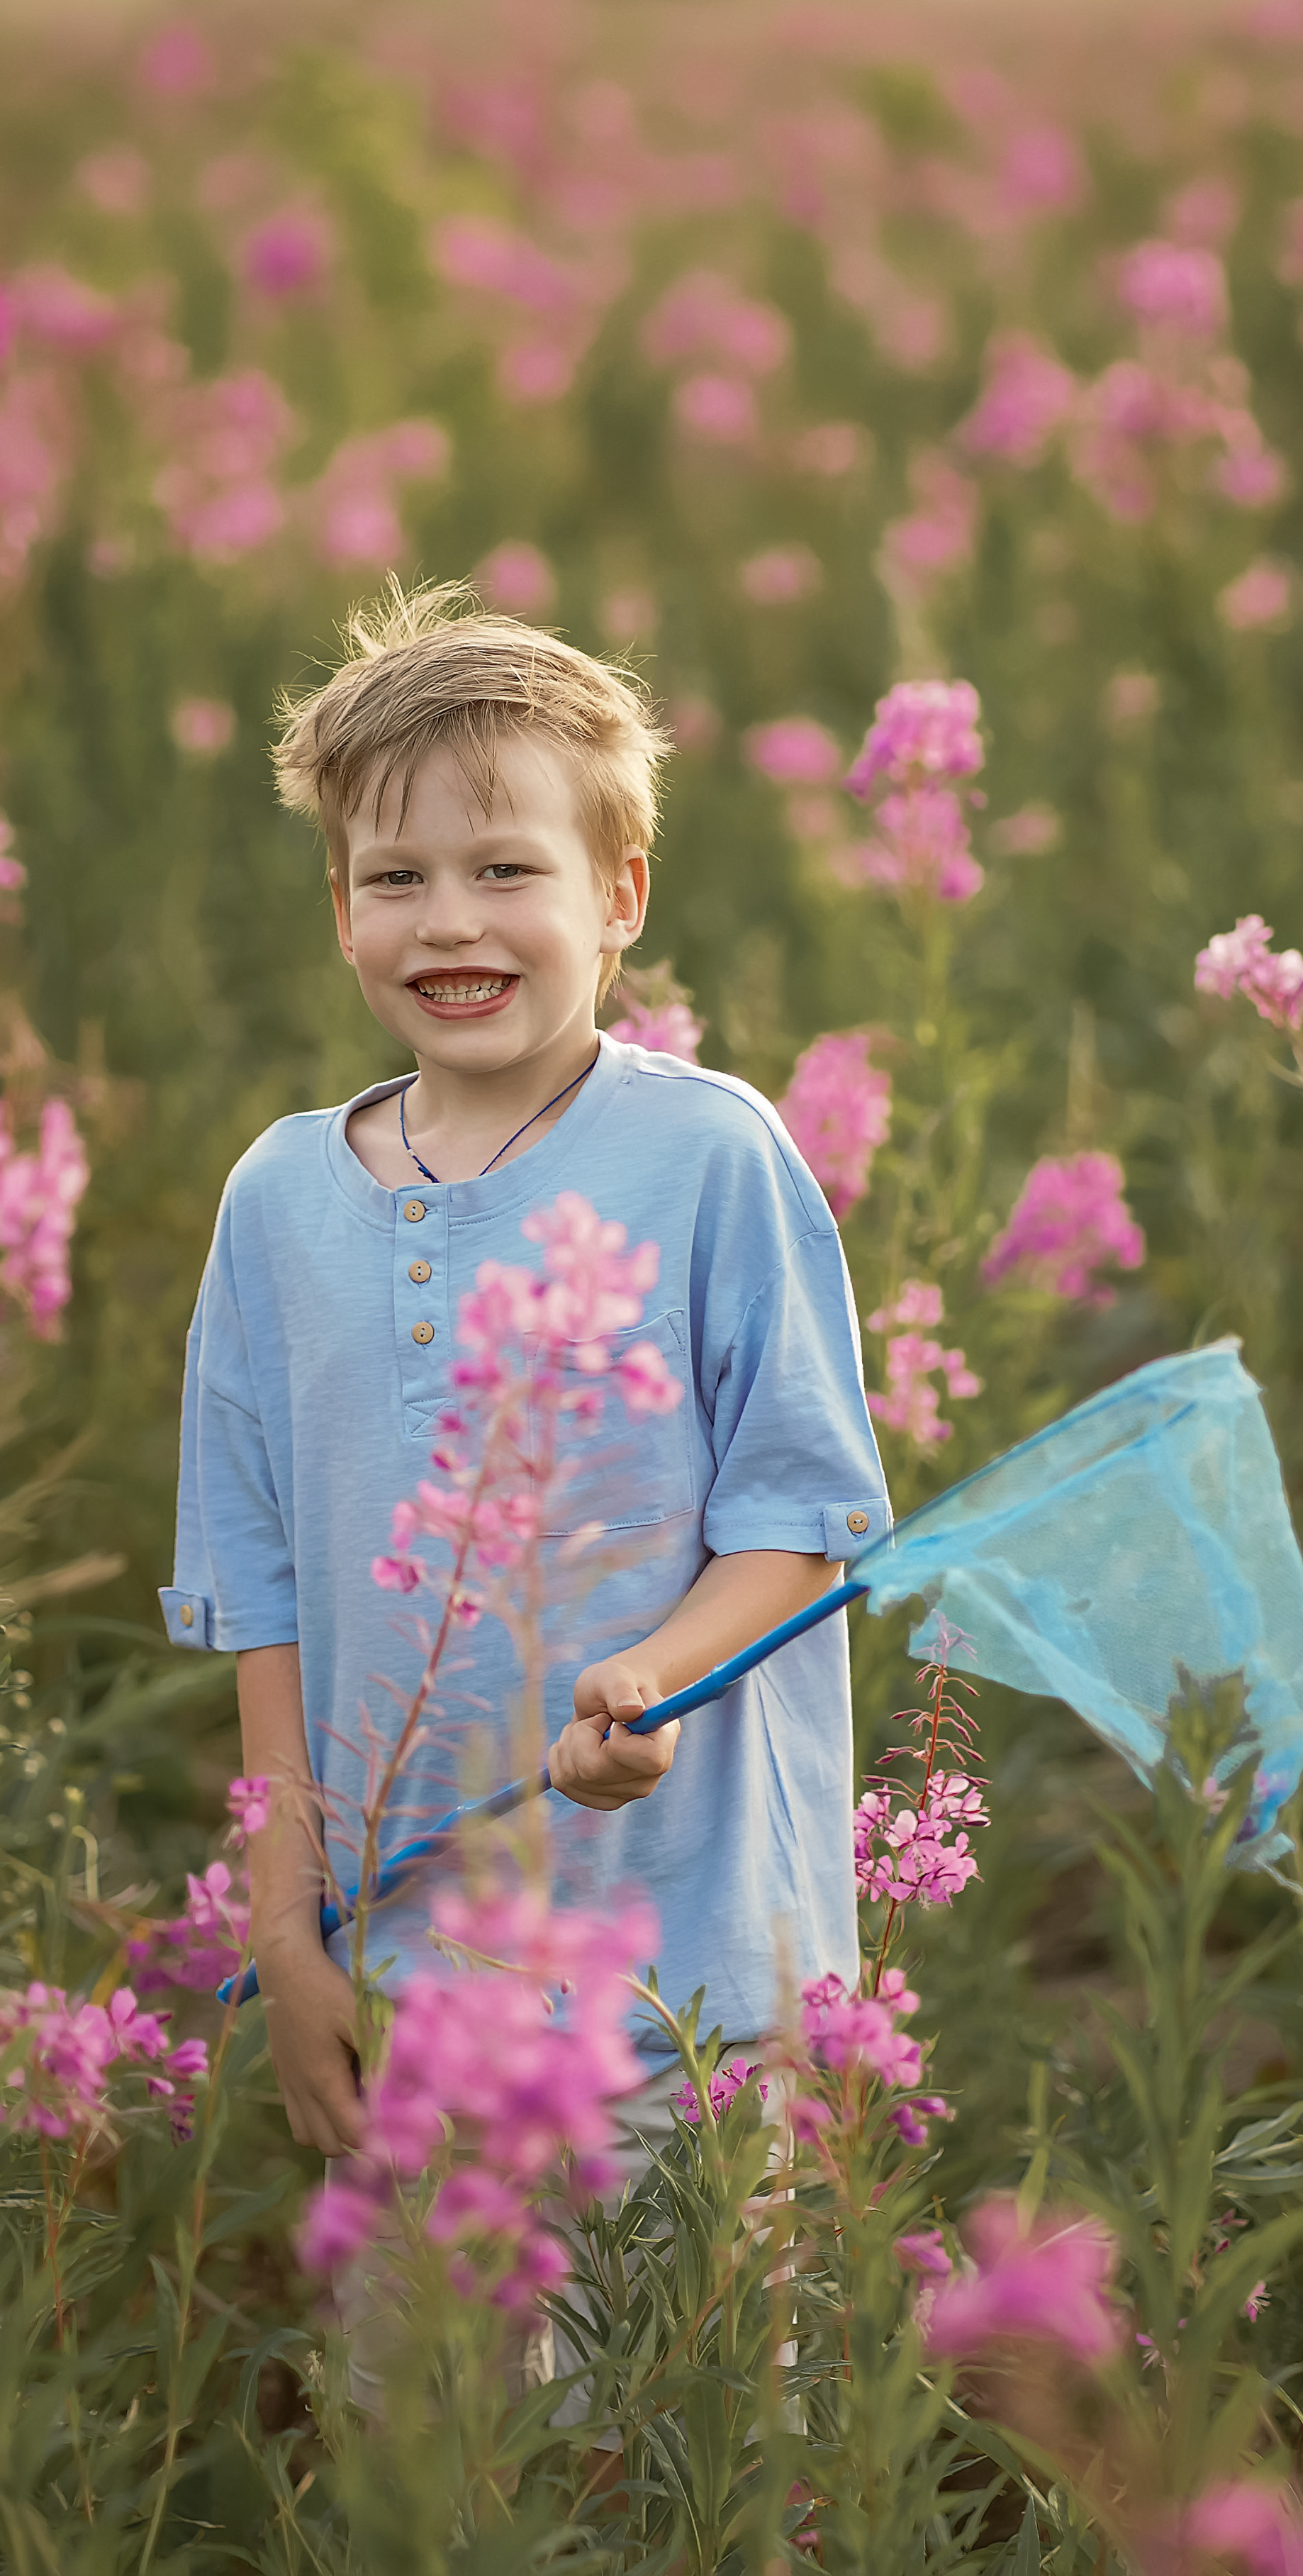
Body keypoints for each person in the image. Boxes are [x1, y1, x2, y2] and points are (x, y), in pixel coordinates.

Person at [162, 579, 889, 2209]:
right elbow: (263, 1603)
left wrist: (650, 1681)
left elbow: (802, 1528)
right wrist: (287, 1934)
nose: (448, 924)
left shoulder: (709, 1155)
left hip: (686, 1992)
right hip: (404, 1983)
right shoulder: (274, 1203)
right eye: (394, 878)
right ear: (340, 912)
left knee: (692, 2444)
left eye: (507, 871)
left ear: (619, 893)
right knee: (435, 2445)